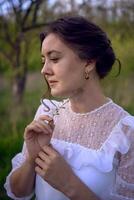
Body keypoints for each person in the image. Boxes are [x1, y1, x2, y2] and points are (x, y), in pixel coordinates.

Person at [4, 16, 134, 200]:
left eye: (54, 59)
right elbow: (18, 192)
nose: (44, 70)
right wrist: (31, 158)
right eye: (43, 61)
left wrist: (68, 183)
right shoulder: (46, 114)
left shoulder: (127, 132)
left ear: (88, 63)